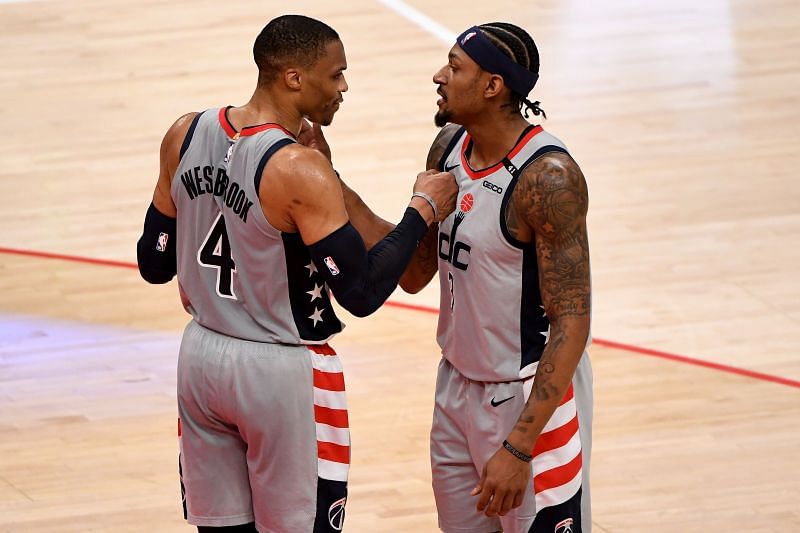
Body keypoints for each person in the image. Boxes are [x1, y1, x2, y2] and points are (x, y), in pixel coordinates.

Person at [135, 15, 456, 533]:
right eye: (335, 75)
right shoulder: (298, 169)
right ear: (293, 78)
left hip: (200, 359)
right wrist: (421, 211)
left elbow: (153, 262)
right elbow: (362, 292)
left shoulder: (185, 132)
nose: (344, 87)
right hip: (281, 370)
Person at [400, 22, 594, 533]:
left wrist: (519, 445)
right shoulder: (446, 148)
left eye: (455, 67)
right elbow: (414, 275)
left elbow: (571, 321)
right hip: (455, 386)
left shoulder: (548, 178)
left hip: (527, 393)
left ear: (492, 85)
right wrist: (331, 184)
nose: (439, 76)